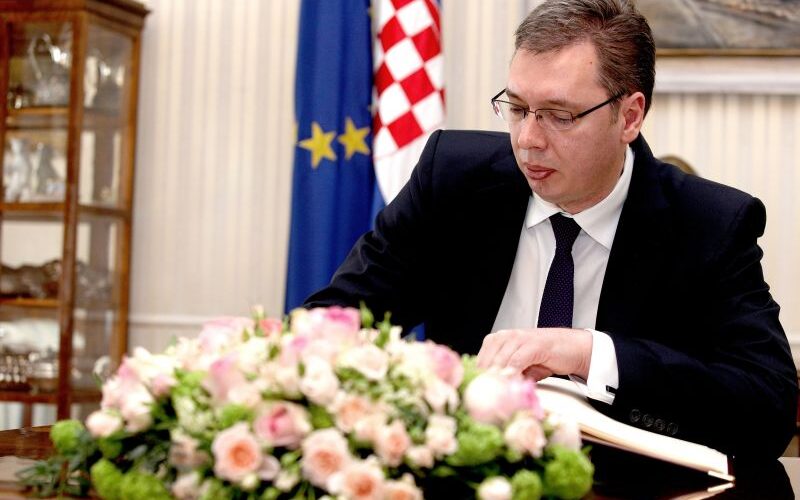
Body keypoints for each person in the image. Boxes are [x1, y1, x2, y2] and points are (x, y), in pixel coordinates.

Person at [305, 0, 798, 459]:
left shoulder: (707, 223)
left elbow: (769, 407)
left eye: (559, 116)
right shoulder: (452, 180)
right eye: (518, 108)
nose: (528, 140)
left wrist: (590, 355)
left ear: (629, 117)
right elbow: (331, 325)